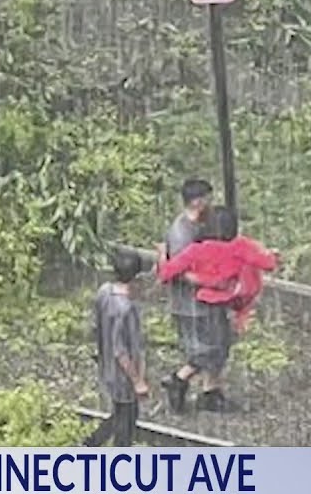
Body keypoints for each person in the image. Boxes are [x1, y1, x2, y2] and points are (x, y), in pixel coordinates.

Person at [156, 179, 230, 413]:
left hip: (209, 298)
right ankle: (178, 380)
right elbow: (179, 271)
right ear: (197, 201)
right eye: (208, 198)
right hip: (191, 303)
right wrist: (210, 281)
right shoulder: (181, 232)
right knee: (204, 349)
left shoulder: (205, 223)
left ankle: (211, 391)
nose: (212, 203)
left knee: (221, 342)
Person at [157, 205, 278, 334]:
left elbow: (165, 273)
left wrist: (162, 254)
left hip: (209, 300)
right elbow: (269, 264)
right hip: (240, 296)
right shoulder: (243, 245)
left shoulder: (197, 250)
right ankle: (240, 318)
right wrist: (268, 253)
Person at [84, 248, 148, 447]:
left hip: (107, 367)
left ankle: (90, 444)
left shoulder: (104, 291)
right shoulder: (126, 309)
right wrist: (137, 380)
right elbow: (121, 350)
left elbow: (96, 326)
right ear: (136, 278)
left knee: (120, 414)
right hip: (123, 375)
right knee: (127, 420)